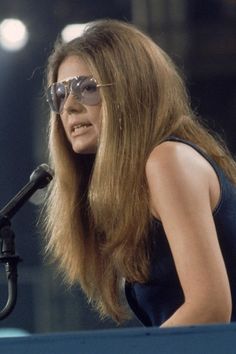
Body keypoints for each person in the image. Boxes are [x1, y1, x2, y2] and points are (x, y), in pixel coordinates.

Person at [43, 18, 236, 327]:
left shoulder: (168, 160)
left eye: (87, 88)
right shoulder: (144, 178)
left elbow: (210, 307)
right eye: (60, 94)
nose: (70, 107)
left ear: (131, 90)